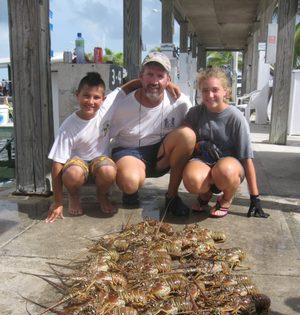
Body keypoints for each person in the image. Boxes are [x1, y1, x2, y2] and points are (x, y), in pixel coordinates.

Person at [46, 71, 181, 223]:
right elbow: (57, 164)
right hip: (77, 163)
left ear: (103, 99)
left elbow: (129, 86)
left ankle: (102, 195)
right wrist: (57, 202)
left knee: (109, 170)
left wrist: (166, 84)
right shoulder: (68, 126)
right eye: (86, 95)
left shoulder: (107, 107)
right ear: (77, 95)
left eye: (96, 97)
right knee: (73, 174)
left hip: (99, 160)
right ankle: (74, 196)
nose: (91, 101)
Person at [108, 52, 195, 216]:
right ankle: (130, 190)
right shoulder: (121, 103)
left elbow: (194, 128)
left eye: (160, 76)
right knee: (130, 181)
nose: (154, 81)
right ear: (141, 76)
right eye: (149, 74)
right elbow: (102, 132)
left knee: (188, 135)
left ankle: (172, 196)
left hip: (161, 154)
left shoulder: (180, 101)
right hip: (130, 151)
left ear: (168, 80)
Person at [182, 67, 269, 218]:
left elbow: (247, 159)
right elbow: (183, 140)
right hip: (203, 161)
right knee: (192, 179)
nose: (210, 95)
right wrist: (198, 144)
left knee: (225, 171)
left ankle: (226, 199)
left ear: (226, 92)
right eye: (205, 90)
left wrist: (255, 197)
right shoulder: (194, 113)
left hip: (229, 167)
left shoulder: (236, 117)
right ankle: (205, 194)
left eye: (215, 90)